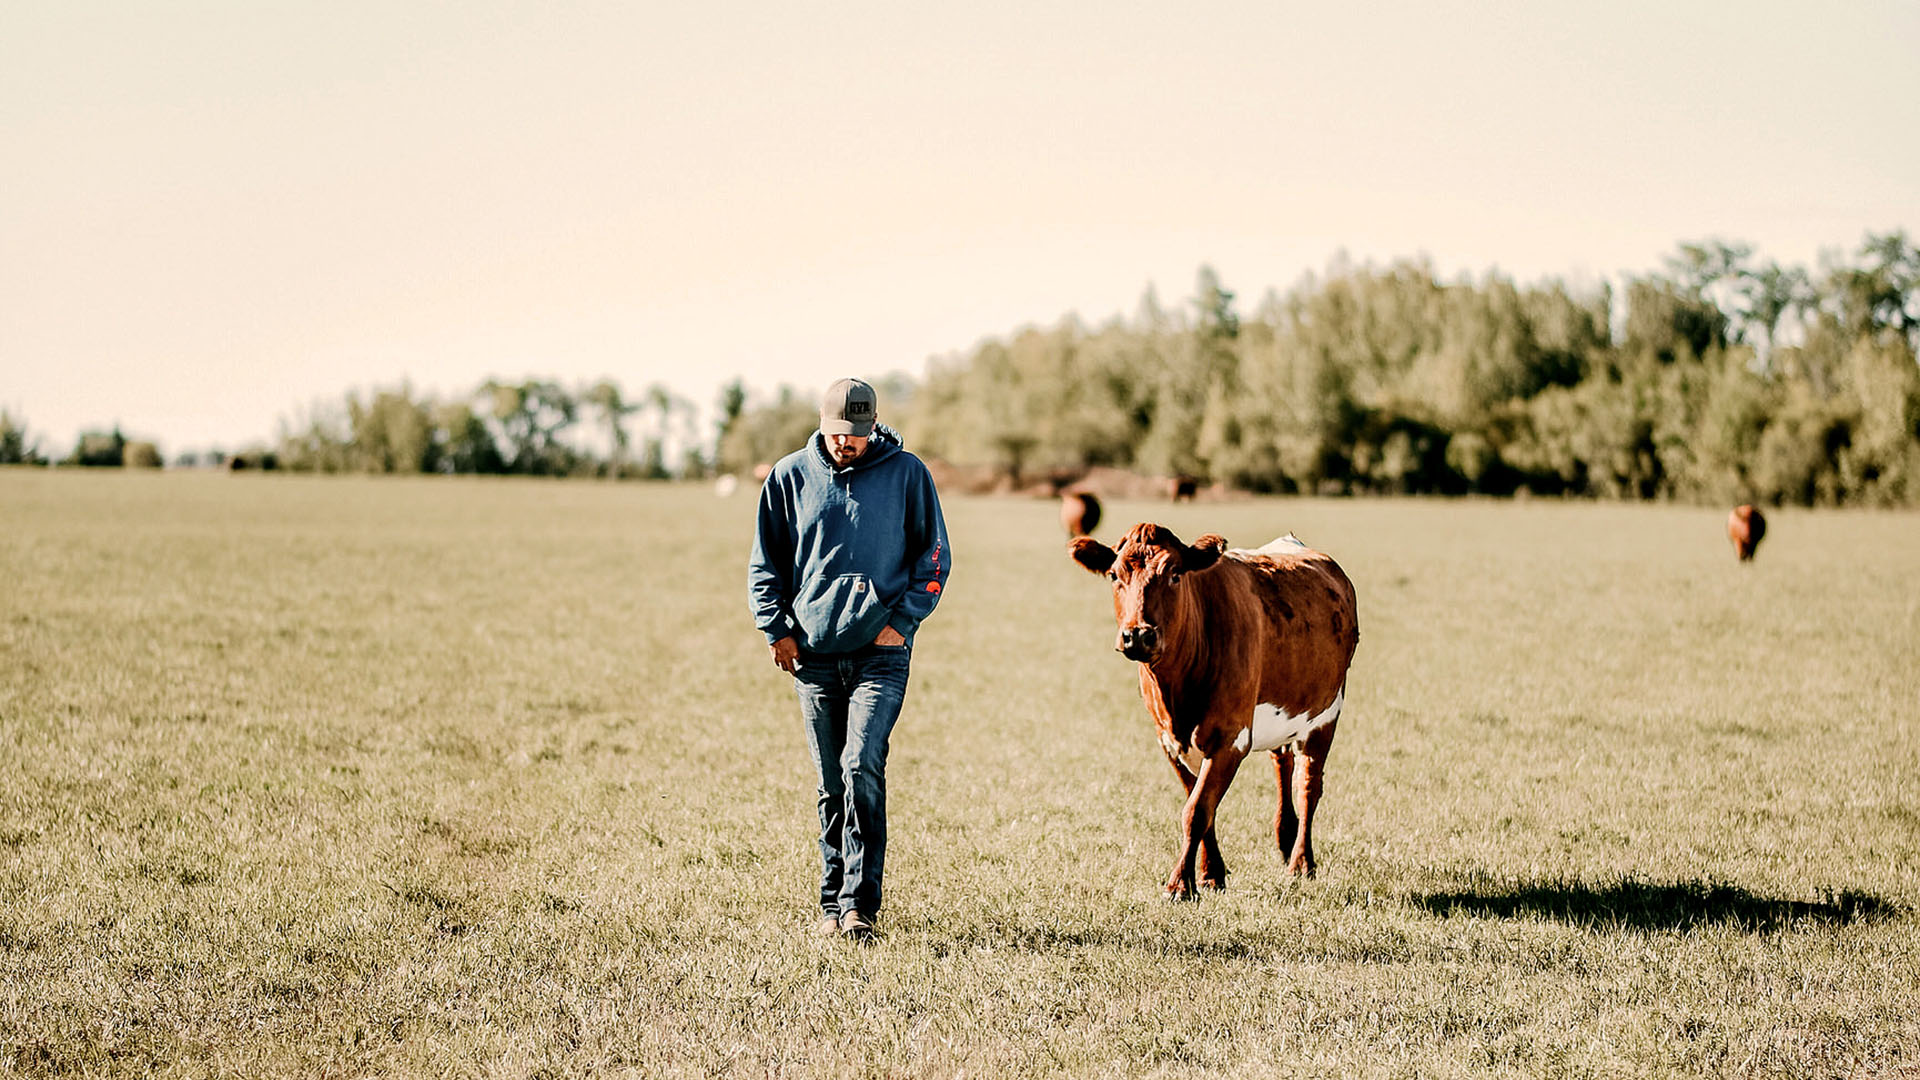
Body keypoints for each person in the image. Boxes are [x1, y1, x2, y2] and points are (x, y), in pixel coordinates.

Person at [748, 377, 951, 941]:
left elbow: (934, 555)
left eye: (858, 434)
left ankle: (860, 907)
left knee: (861, 766)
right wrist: (776, 628)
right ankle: (830, 903)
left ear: (873, 426)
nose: (847, 443)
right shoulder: (790, 477)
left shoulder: (908, 474)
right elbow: (766, 563)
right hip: (812, 657)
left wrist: (899, 623)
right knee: (829, 783)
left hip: (880, 657)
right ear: (822, 422)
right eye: (839, 432)